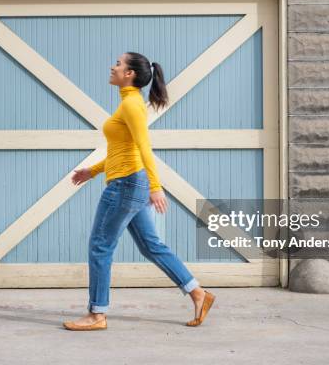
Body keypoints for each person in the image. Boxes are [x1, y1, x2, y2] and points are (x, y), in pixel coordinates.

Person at [62, 52, 215, 331]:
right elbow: (124, 151)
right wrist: (92, 171)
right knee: (151, 245)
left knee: (100, 246)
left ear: (130, 73)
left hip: (126, 185)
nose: (113, 66)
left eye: (118, 64)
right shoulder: (128, 103)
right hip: (130, 182)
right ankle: (197, 293)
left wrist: (156, 188)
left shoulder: (132, 105)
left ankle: (97, 314)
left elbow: (145, 148)